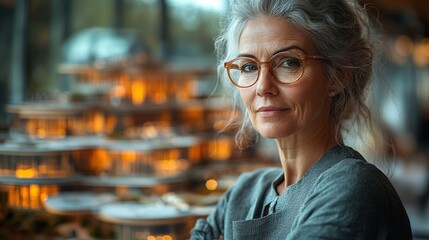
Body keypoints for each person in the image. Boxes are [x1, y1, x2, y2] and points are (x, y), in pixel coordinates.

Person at [190, 0, 413, 239]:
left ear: (337, 75)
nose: (263, 86)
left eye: (289, 62)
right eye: (248, 67)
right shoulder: (244, 192)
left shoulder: (354, 185)